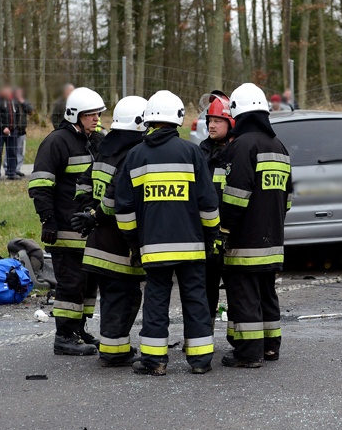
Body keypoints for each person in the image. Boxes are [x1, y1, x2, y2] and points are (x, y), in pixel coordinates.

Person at [114, 90, 219, 376]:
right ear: (178, 119)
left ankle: (154, 361)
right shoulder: (192, 152)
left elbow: (123, 210)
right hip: (192, 247)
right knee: (196, 299)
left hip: (153, 247)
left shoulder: (135, 156)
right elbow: (208, 204)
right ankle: (200, 361)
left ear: (148, 120)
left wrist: (134, 243)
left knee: (156, 301)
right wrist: (210, 238)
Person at [70, 96, 148, 367]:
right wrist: (97, 213)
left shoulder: (106, 148)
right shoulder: (131, 153)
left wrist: (88, 209)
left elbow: (84, 182)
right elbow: (117, 199)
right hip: (118, 243)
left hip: (98, 240)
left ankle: (113, 346)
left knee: (114, 296)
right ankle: (115, 351)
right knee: (125, 297)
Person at [29, 87, 106, 356]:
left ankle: (78, 330)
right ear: (75, 115)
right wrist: (48, 220)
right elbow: (40, 184)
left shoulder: (96, 140)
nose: (96, 118)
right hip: (63, 228)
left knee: (87, 285)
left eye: (98, 114)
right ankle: (63, 336)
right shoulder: (57, 142)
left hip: (88, 230)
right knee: (70, 284)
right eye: (90, 115)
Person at [220, 82, 292, 368]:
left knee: (245, 294)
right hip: (273, 239)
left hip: (245, 240)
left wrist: (223, 228)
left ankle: (249, 353)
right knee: (267, 293)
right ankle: (271, 347)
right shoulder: (279, 146)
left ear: (238, 115)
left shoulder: (242, 146)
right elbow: (287, 199)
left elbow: (236, 195)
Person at [198, 91, 233, 329]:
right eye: (210, 120)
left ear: (230, 123)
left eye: (217, 120)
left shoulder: (236, 152)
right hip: (207, 233)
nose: (211, 124)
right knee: (205, 288)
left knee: (236, 288)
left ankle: (240, 338)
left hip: (230, 233)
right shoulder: (201, 151)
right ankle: (203, 333)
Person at [0, 85, 18, 180]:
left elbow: (17, 114)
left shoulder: (13, 101)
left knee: (12, 152)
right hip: (1, 131)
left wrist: (15, 126)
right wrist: (3, 127)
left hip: (12, 131)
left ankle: (12, 172)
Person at [13, 87, 34, 177]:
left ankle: (18, 168)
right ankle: (8, 168)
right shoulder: (11, 102)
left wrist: (23, 102)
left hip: (22, 130)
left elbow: (31, 111)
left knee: (21, 151)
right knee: (11, 150)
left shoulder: (24, 102)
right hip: (13, 129)